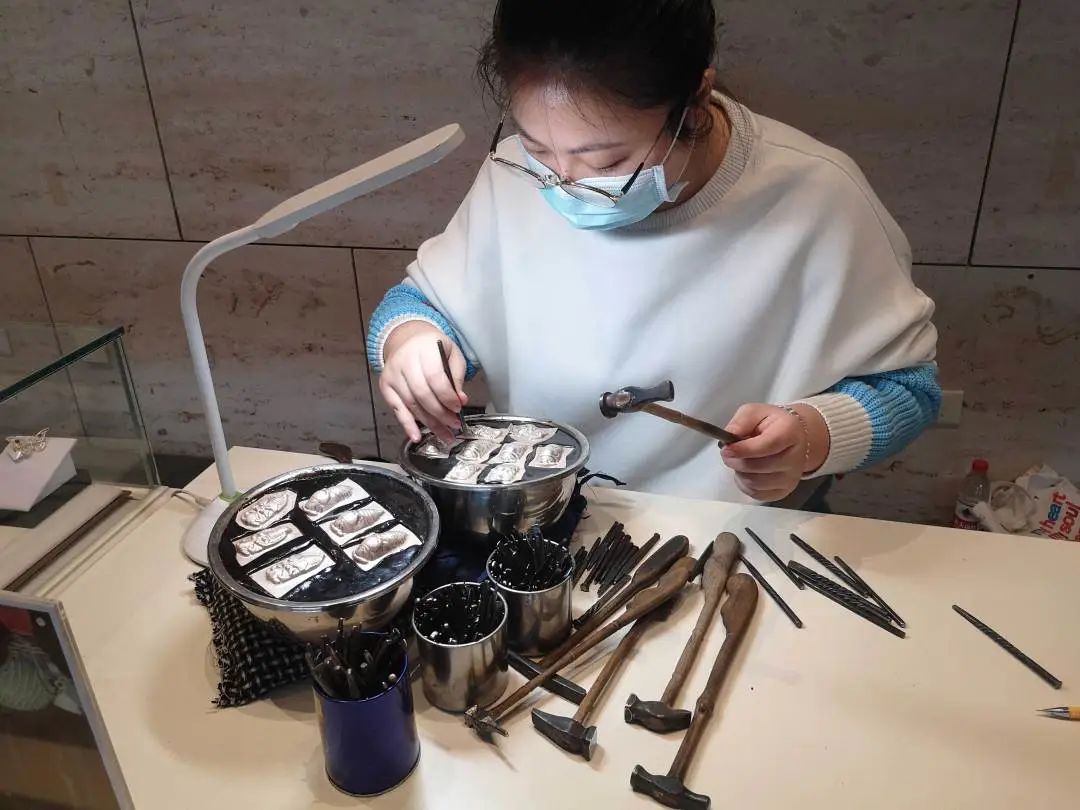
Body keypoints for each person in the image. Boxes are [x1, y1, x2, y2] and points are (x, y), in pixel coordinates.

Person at [366, 0, 939, 506]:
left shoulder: (816, 194)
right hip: (541, 511)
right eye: (538, 149)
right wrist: (412, 341)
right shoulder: (518, 172)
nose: (565, 183)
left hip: (729, 533)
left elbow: (908, 389)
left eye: (608, 161)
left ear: (695, 100)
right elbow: (423, 303)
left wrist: (812, 436)